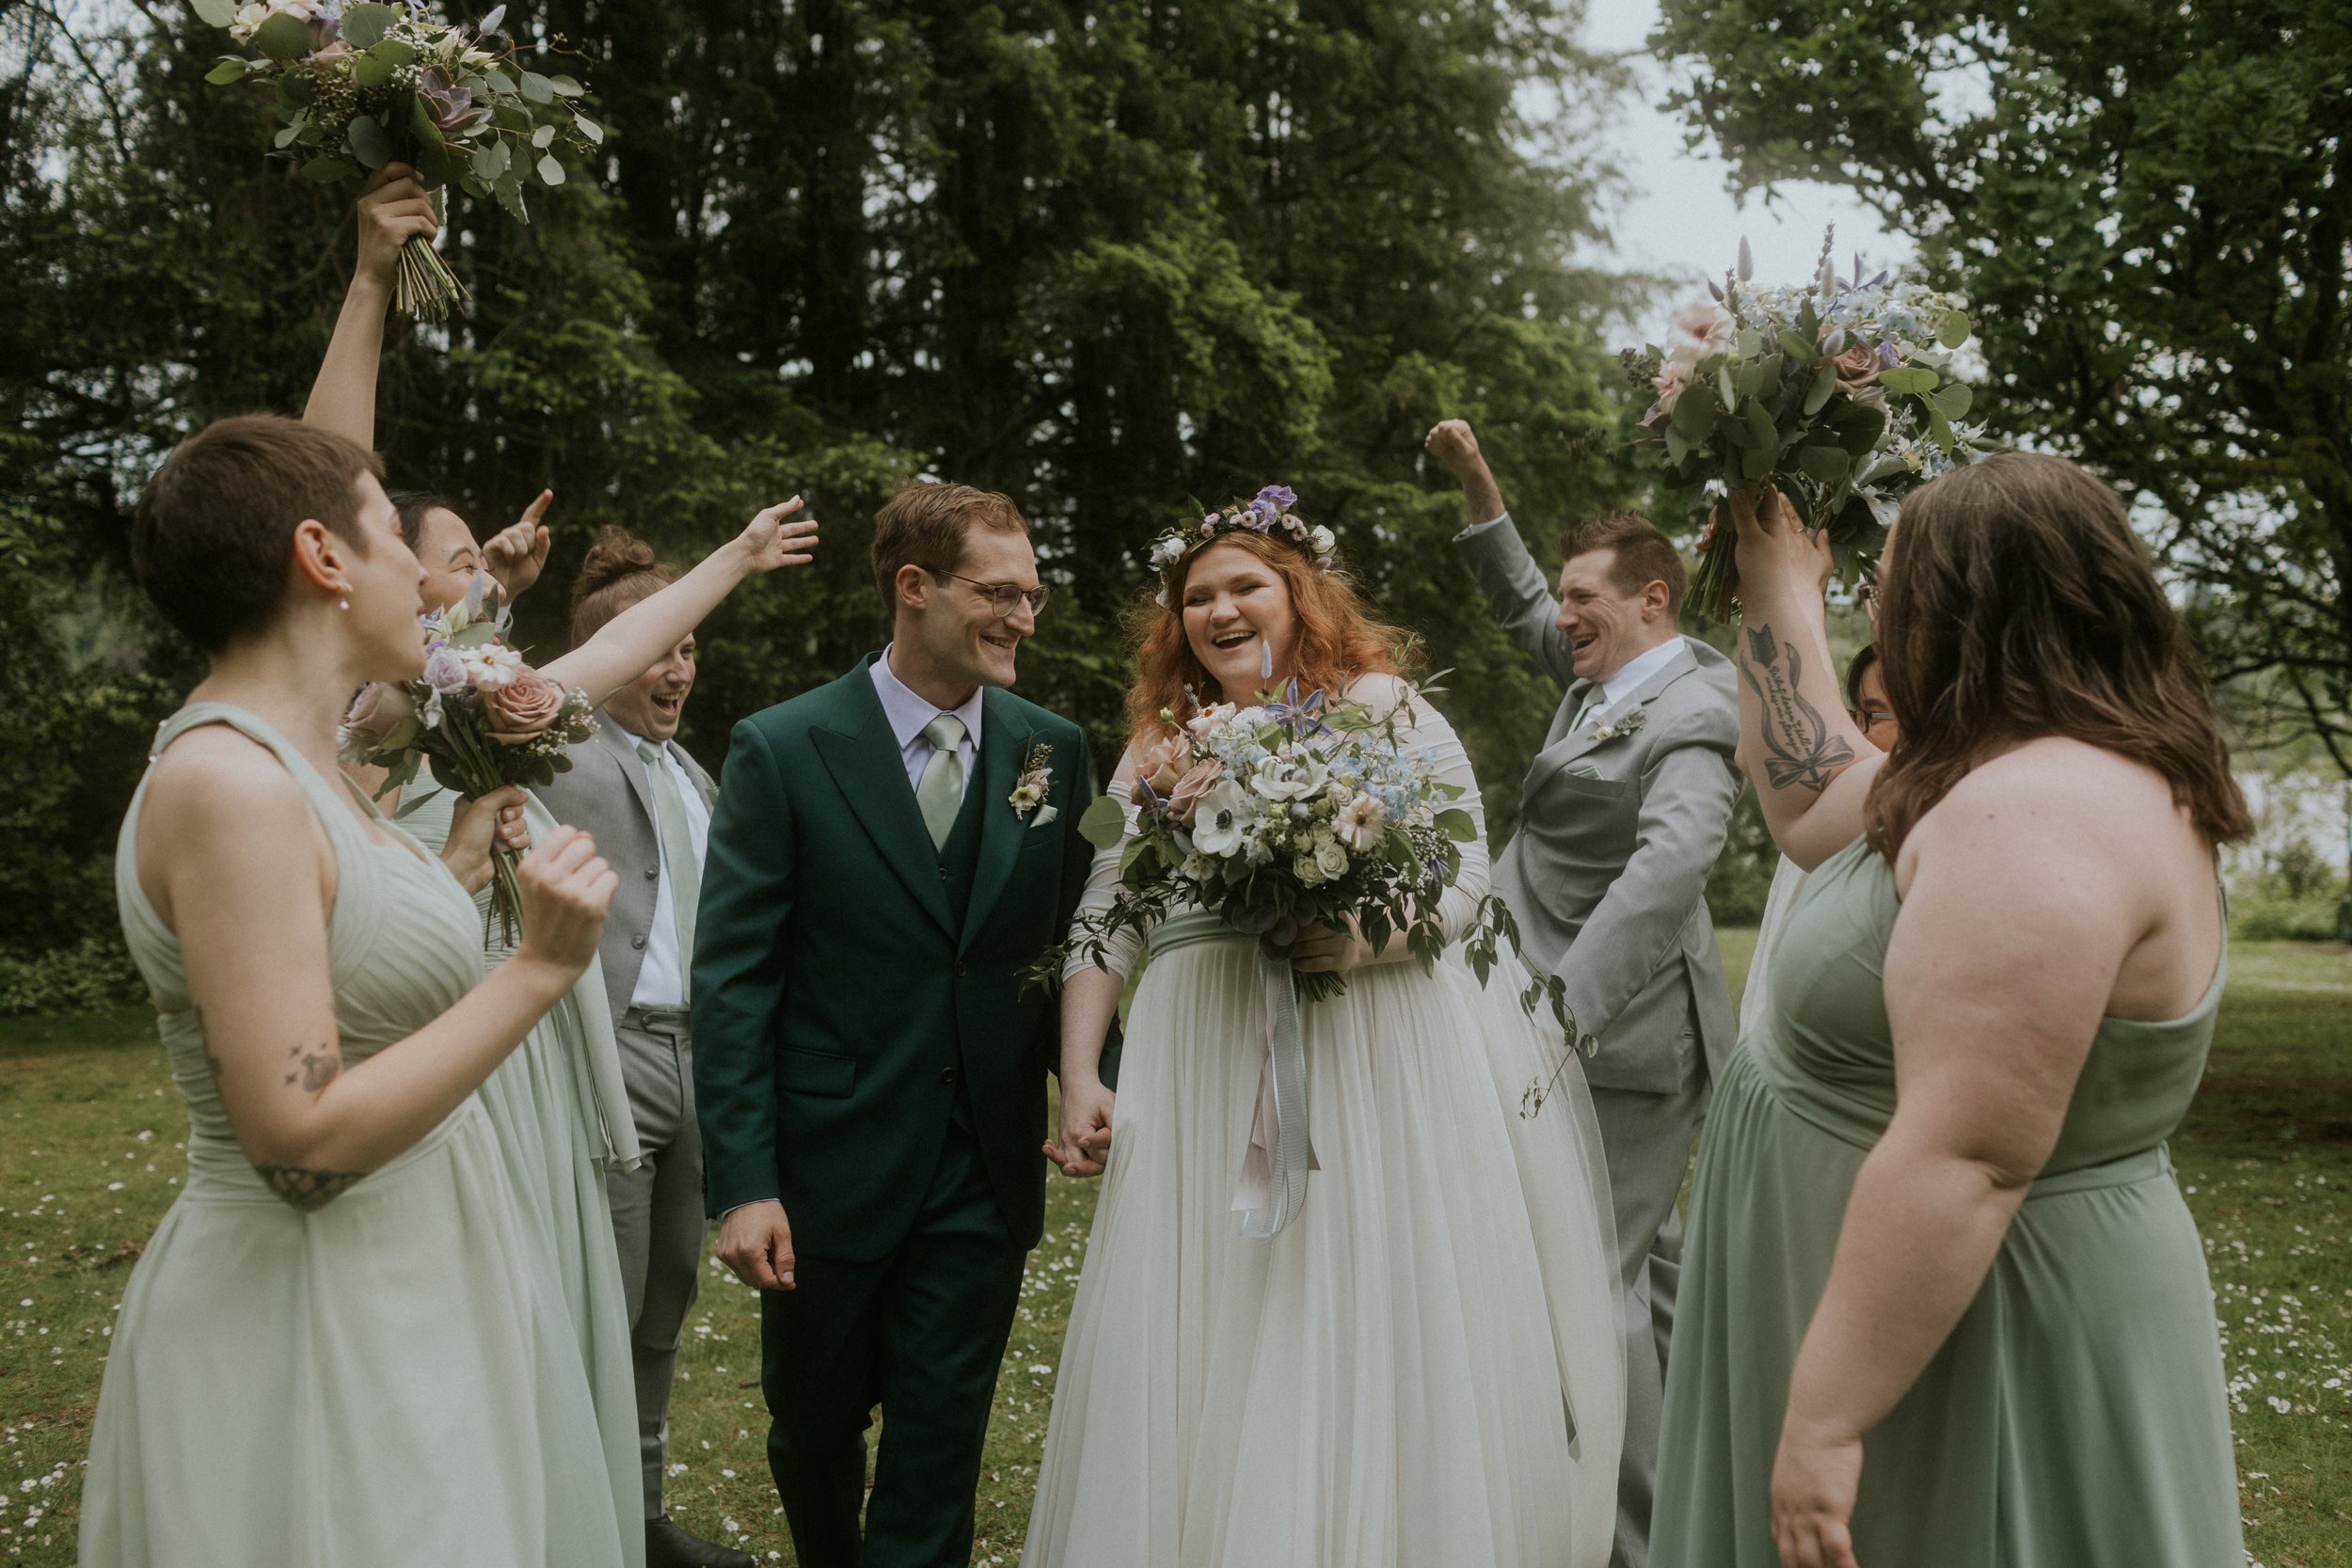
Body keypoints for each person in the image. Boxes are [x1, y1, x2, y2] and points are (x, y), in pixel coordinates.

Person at [304, 165, 818, 1568]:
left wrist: (727, 555)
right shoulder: (339, 725)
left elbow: (585, 663)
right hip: (442, 1041)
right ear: (361, 567)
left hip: (511, 1050)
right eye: (448, 563)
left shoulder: (456, 707)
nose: (473, 579)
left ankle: (593, 1518)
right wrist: (365, 281)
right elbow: (321, 489)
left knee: (567, 1320)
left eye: (475, 565)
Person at [1652, 454, 2250, 1568]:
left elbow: (1966, 1155)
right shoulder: (1986, 766)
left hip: (1960, 1342)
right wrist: (1772, 571)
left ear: (1962, 603)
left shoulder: (2041, 811)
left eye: (1889, 579)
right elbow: (1809, 791)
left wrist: (1828, 1417)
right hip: (1883, 1307)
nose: (1877, 603)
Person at [1021, 498, 1626, 1568]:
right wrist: (1080, 1068)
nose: (1219, 609)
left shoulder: (1384, 705)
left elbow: (1465, 876)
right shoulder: (1153, 753)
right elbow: (1102, 919)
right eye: (1196, 596)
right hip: (1201, 1045)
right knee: (1210, 1298)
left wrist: (1356, 940)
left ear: (1299, 594)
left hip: (1365, 1043)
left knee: (1353, 1286)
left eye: (1243, 585)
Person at [82, 412, 628, 1566]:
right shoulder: (228, 784)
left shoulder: (321, 771)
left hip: (424, 1274)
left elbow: (339, 964)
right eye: (394, 536)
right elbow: (300, 1144)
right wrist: (536, 968)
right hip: (315, 1314)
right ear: (323, 557)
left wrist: (451, 873)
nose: (430, 581)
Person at [692, 480, 1104, 1568]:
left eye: (1034, 594)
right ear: (913, 586)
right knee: (813, 1429)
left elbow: (1082, 944)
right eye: (1000, 591)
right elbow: (734, 977)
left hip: (981, 1161)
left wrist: (1100, 1078)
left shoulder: (1051, 748)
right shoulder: (782, 747)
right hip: (827, 1168)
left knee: (939, 1445)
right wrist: (743, 1178)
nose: (1024, 616)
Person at [1425, 418, 1742, 1568]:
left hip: (1620, 1041)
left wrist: (1557, 1013)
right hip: (1583, 1028)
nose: (1562, 615)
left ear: (1653, 598)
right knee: (1650, 1277)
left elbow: (1668, 871)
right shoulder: (1606, 675)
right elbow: (1521, 603)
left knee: (1590, 1282)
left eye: (1583, 596)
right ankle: (1690, 1516)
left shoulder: (1696, 709)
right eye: (1564, 598)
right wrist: (1477, 484)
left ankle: (1631, 1542)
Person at [532, 531, 747, 1568]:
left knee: (666, 1292)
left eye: (690, 647)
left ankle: (642, 1513)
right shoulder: (558, 750)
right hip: (606, 1053)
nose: (677, 667)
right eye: (658, 648)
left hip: (698, 1058)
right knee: (600, 1299)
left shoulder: (697, 774)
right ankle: (580, 1524)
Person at [1740, 643, 1898, 1031]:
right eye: (1853, 714)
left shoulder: (1899, 799)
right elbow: (1751, 751)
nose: (1855, 731)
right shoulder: (1838, 791)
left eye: (1871, 713)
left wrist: (1791, 590)